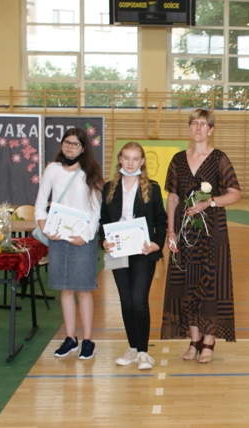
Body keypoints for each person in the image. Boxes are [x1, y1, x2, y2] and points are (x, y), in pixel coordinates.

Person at [161, 109, 241, 364]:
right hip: (184, 232)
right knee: (186, 284)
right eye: (194, 123)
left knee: (211, 285)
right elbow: (173, 197)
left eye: (203, 124)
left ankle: (208, 341)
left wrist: (210, 202)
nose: (198, 127)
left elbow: (235, 193)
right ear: (189, 127)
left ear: (211, 130)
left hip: (212, 231)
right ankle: (194, 340)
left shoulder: (219, 158)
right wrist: (170, 232)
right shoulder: (178, 160)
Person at [34, 127, 103, 359]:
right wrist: (46, 228)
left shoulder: (90, 172)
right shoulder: (52, 169)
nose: (70, 147)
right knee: (65, 290)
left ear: (83, 149)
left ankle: (88, 341)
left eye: (75, 144)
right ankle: (70, 338)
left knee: (83, 291)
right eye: (67, 142)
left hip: (82, 239)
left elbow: (96, 210)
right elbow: (40, 203)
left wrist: (86, 236)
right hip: (58, 238)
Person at [99, 142, 167, 370]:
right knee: (126, 301)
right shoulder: (109, 187)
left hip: (142, 252)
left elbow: (161, 220)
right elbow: (103, 220)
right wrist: (104, 240)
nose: (130, 163)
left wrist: (156, 244)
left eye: (135, 158)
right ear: (120, 159)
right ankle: (133, 348)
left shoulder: (152, 188)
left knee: (139, 301)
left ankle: (144, 352)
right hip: (118, 251)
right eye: (126, 158)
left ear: (142, 161)